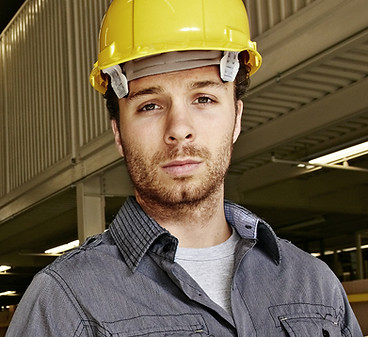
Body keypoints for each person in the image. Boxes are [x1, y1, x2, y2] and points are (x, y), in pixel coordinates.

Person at [6, 0, 363, 336]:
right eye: (149, 105)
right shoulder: (64, 304)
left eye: (204, 98)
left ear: (236, 118)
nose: (179, 128)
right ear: (118, 132)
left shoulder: (314, 285)